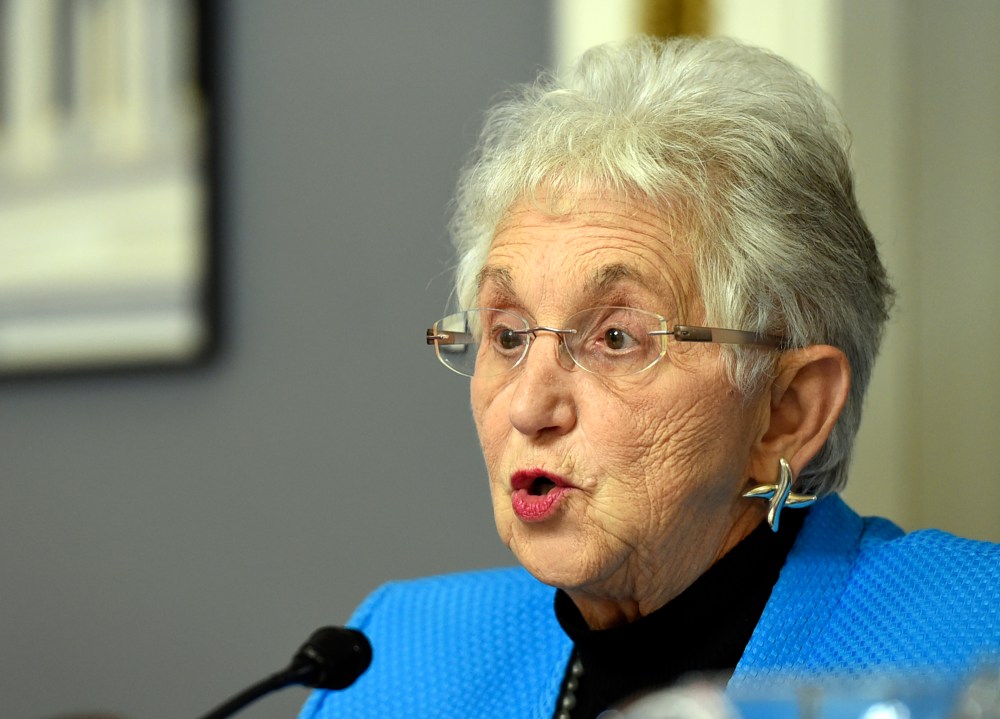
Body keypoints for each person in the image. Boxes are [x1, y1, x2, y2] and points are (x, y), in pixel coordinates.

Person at [300, 36, 999, 719]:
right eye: (509, 335)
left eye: (615, 337)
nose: (527, 404)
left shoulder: (974, 639)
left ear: (788, 410)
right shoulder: (391, 655)